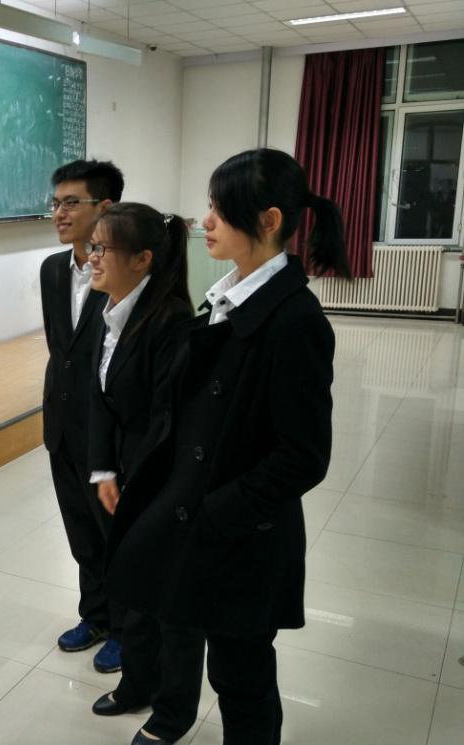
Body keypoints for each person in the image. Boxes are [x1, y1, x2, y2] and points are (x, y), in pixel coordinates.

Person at [106, 148, 349, 745]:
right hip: (197, 518)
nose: (206, 220)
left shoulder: (294, 320)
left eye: (220, 208)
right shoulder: (227, 296)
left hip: (243, 537)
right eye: (208, 205)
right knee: (189, 633)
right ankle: (169, 713)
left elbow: (303, 455)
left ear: (268, 220)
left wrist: (217, 513)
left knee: (241, 676)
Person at [82, 203, 201, 740]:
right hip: (125, 473)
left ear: (142, 259)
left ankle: (173, 713)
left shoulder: (171, 321)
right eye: (93, 247)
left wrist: (137, 484)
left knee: (169, 601)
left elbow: (166, 420)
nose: (91, 257)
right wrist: (103, 468)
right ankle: (137, 684)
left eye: (103, 248)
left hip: (161, 479)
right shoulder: (108, 309)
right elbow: (100, 396)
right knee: (131, 587)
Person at [40, 159, 126, 673]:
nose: (60, 213)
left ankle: (127, 628)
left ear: (105, 207)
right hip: (62, 425)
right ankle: (94, 615)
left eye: (72, 202)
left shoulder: (125, 272)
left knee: (115, 533)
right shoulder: (52, 270)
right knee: (80, 531)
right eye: (55, 203)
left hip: (107, 431)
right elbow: (61, 350)